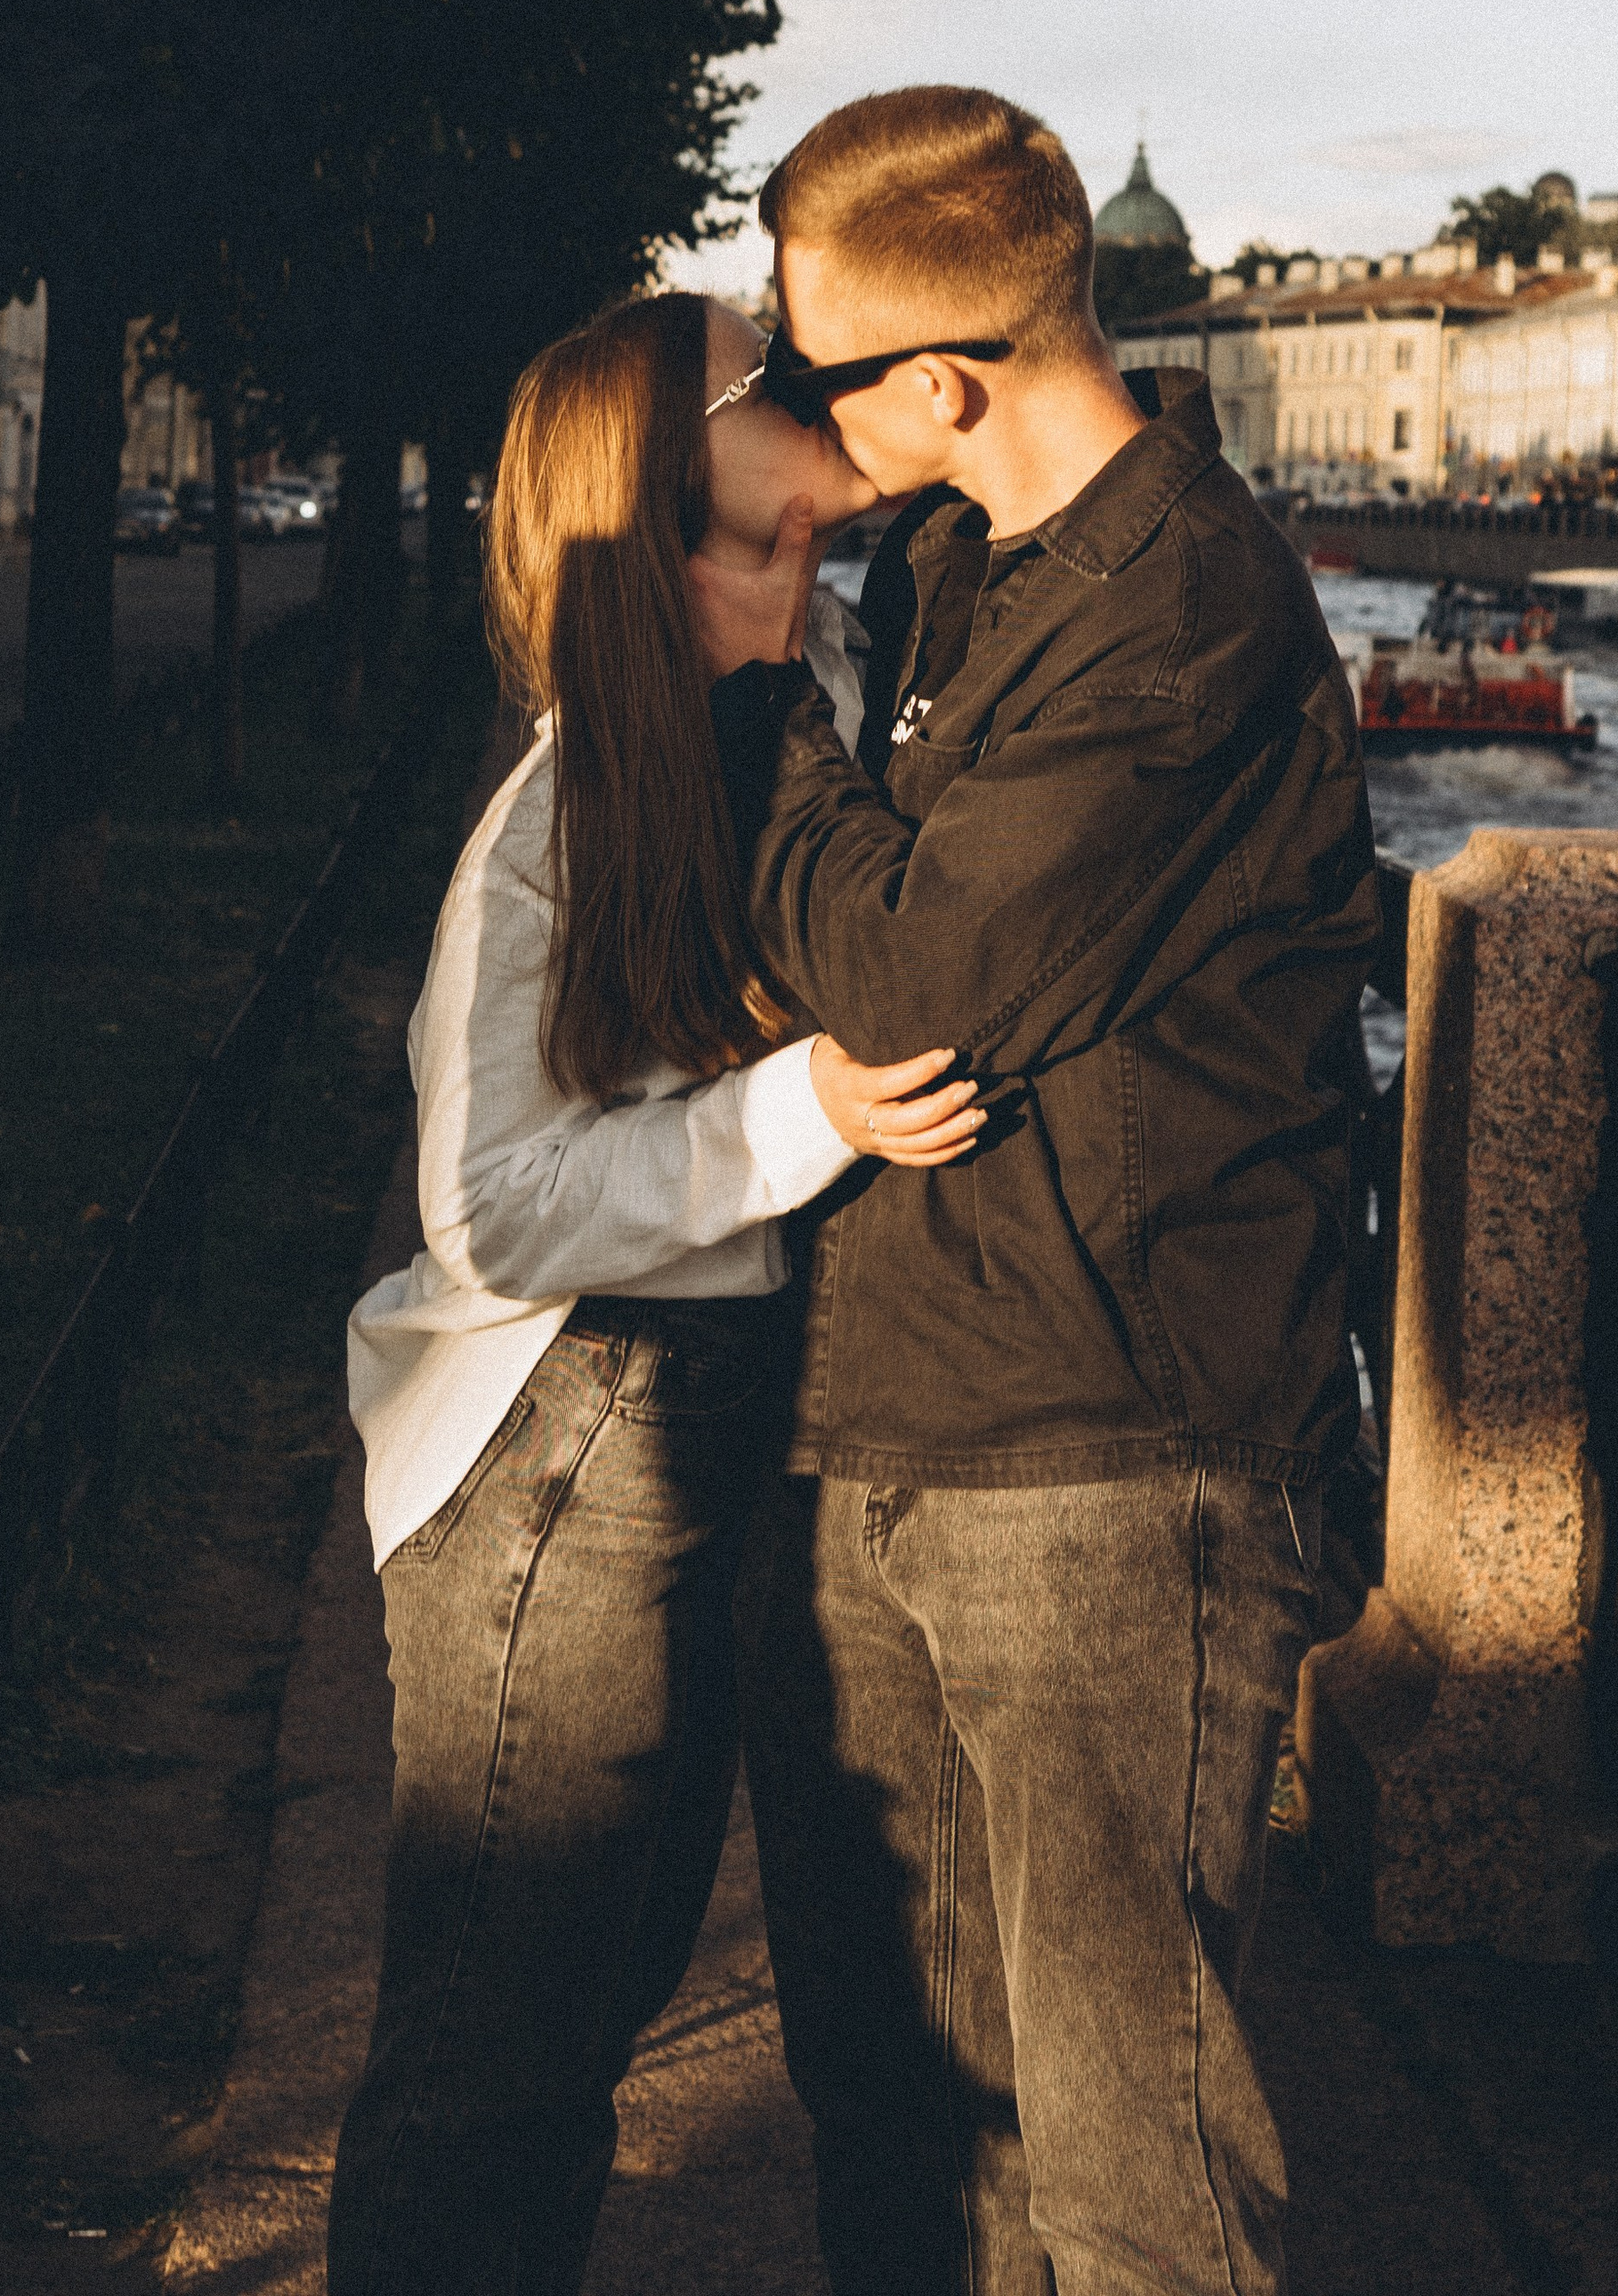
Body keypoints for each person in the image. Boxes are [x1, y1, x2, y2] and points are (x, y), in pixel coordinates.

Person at [685, 88, 1377, 2296]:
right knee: (894, 2116)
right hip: (882, 1416)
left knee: (1122, 2174)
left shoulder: (1182, 611)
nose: (784, 418)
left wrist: (745, 700)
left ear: (941, 382)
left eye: (806, 371)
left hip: (1113, 1464)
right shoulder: (950, 557)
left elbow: (903, 979)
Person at [328, 288, 977, 2296]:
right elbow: (491, 1213)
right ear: (637, 516)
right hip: (552, 1453)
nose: (798, 587)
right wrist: (805, 1113)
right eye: (749, 529)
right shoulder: (560, 816)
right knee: (498, 2061)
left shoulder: (790, 677)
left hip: (682, 1432)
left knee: (563, 2027)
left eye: (814, 550)